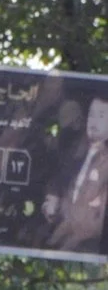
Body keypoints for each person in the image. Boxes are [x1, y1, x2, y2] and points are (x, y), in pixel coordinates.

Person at [45, 98, 108, 257]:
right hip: (60, 224)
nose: (94, 121)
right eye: (92, 115)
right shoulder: (75, 148)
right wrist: (51, 199)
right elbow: (57, 178)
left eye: (101, 116)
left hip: (86, 241)